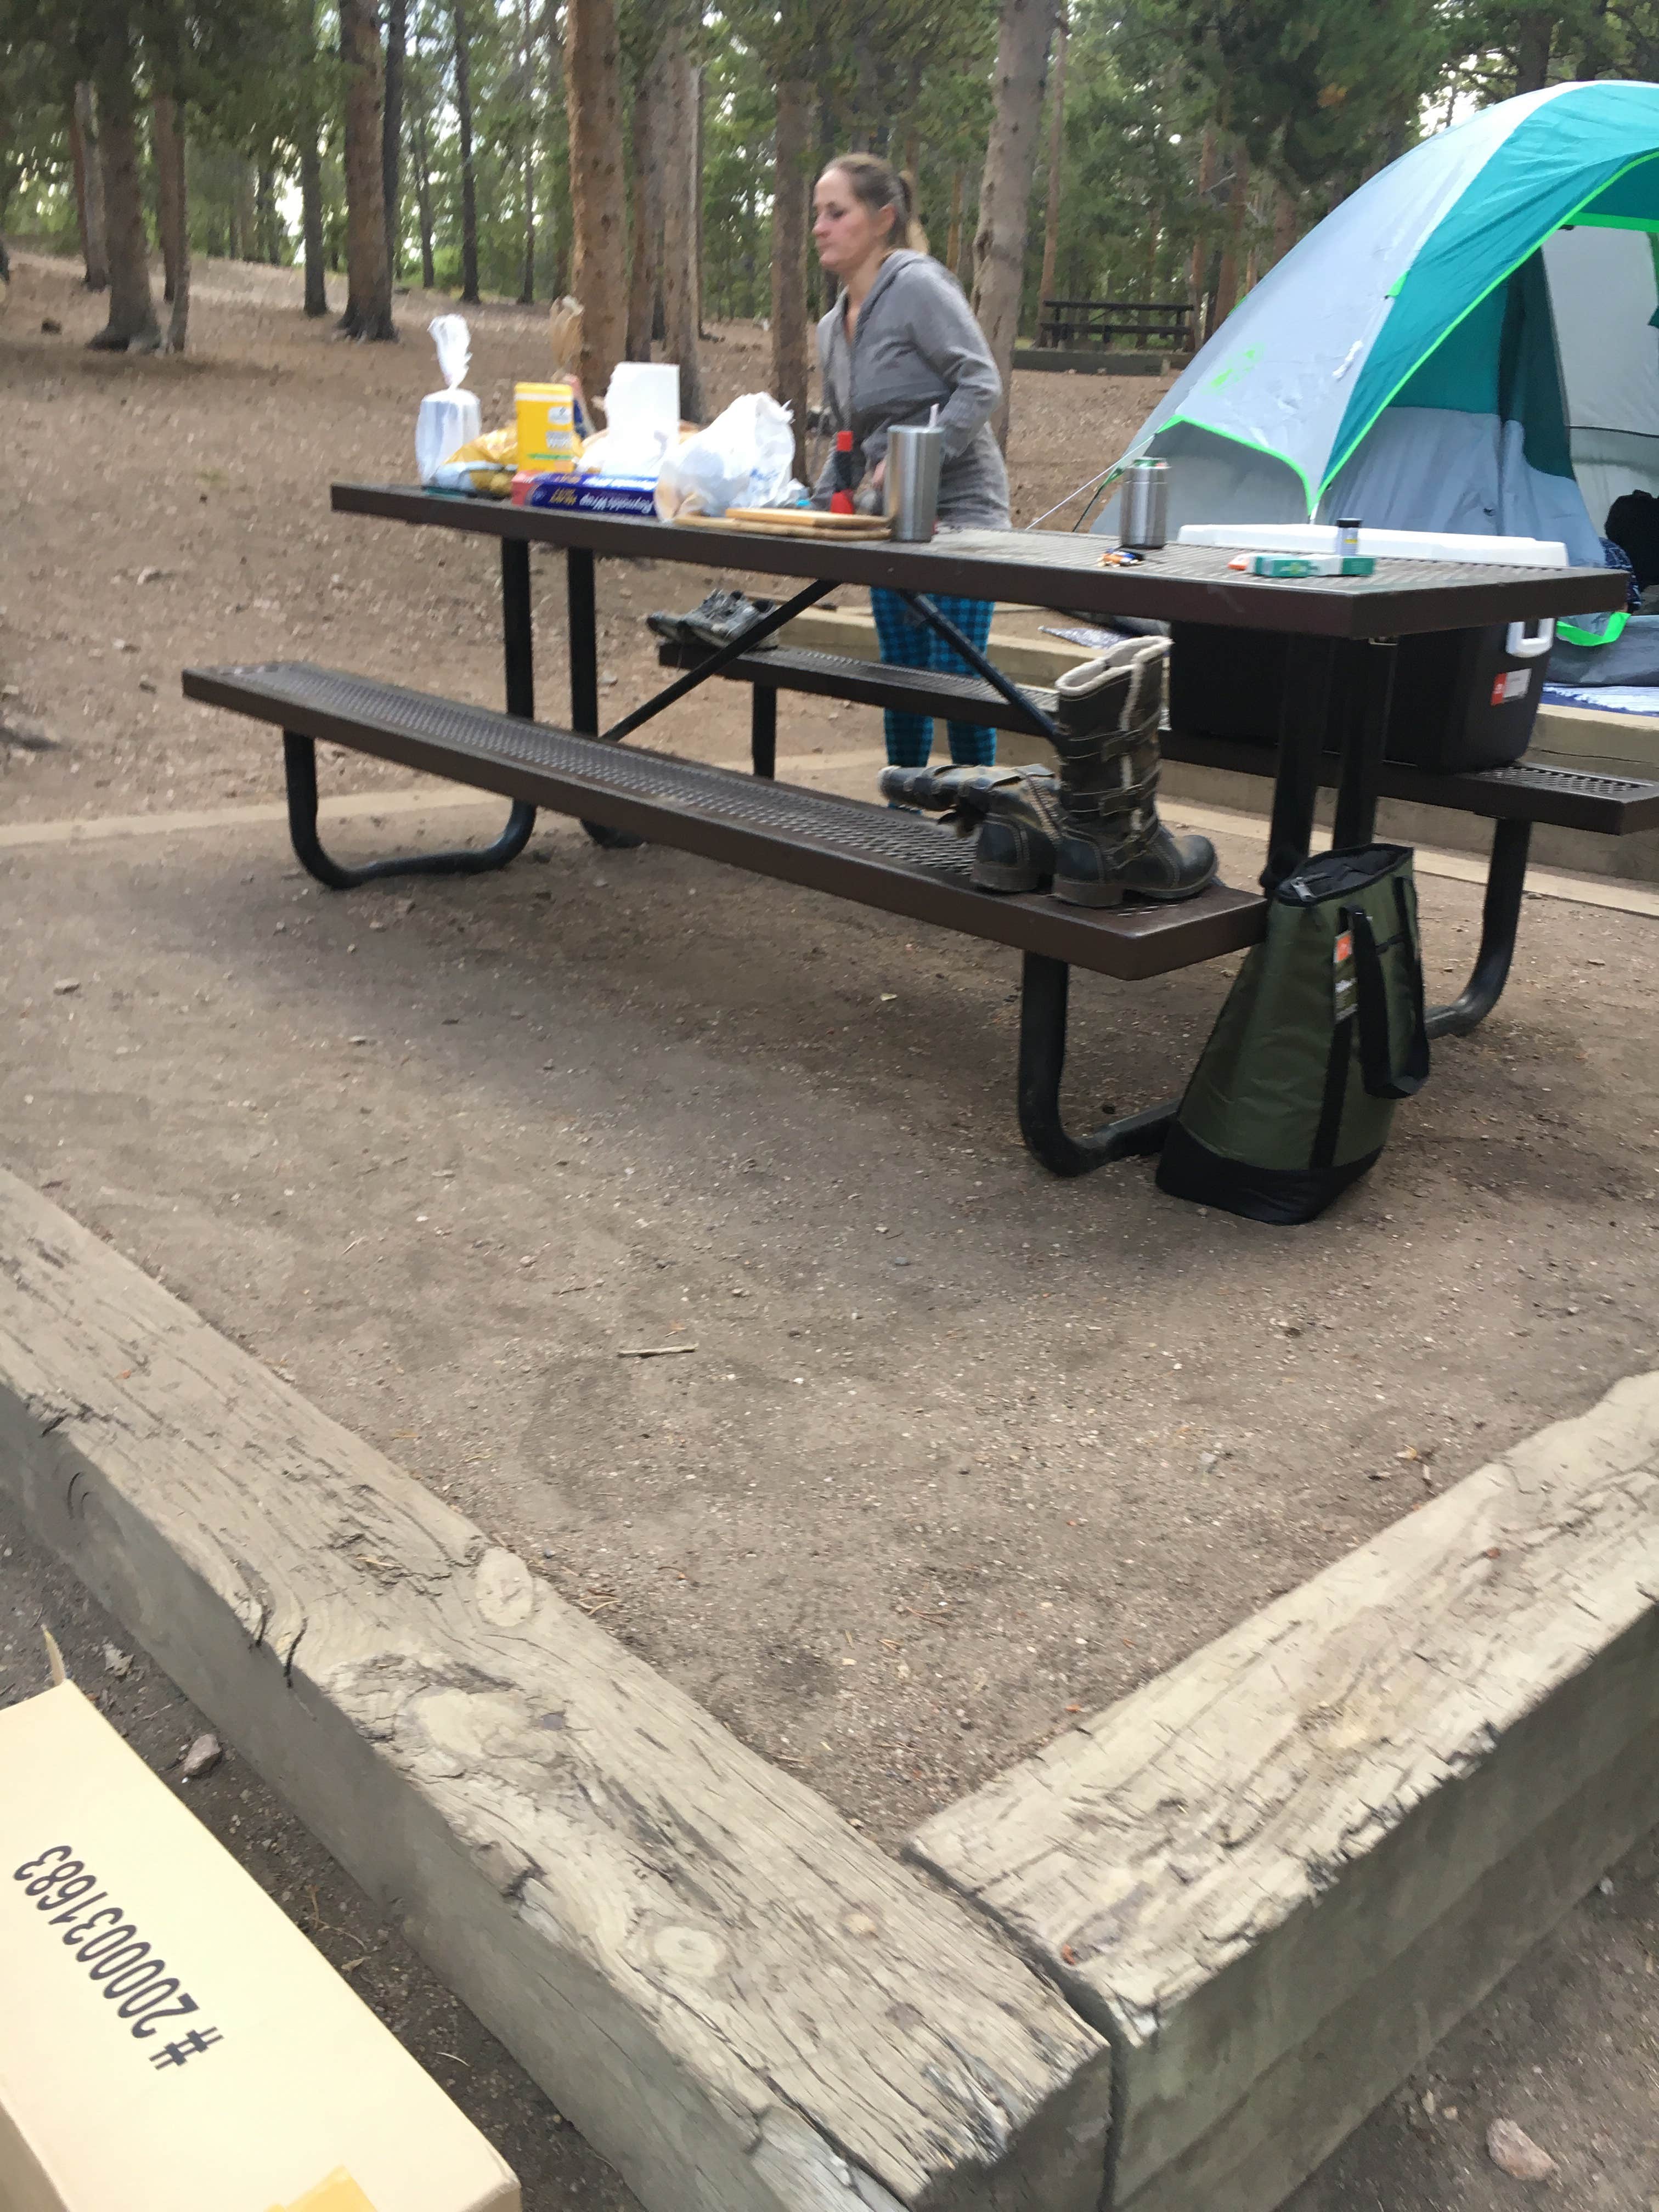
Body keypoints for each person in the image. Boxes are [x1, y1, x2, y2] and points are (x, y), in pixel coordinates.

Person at [811, 153, 1008, 772]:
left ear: (882, 220)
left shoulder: (918, 286)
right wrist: (807, 505)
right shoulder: (828, 329)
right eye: (817, 214)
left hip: (963, 519)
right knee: (902, 681)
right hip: (888, 525)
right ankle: (905, 814)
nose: (820, 227)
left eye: (837, 213)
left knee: (955, 681)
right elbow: (850, 438)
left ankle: (990, 819)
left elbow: (980, 383)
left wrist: (912, 461)